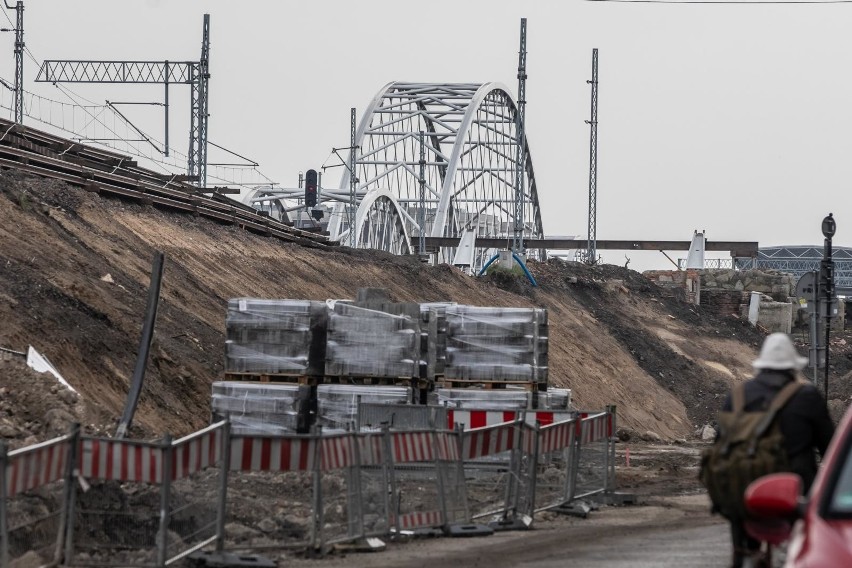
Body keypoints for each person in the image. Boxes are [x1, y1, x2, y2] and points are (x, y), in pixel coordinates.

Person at [721, 332, 835, 568]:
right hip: (795, 490)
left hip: (745, 489)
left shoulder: (738, 395)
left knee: (736, 494)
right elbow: (830, 448)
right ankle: (804, 551)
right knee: (814, 520)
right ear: (792, 369)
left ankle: (743, 550)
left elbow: (723, 447)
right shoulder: (807, 397)